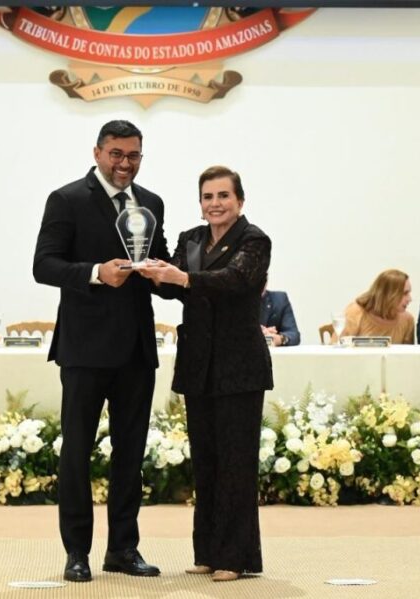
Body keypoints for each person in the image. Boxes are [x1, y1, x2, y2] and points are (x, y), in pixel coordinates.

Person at [32, 120, 169, 583]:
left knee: (131, 456)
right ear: (97, 153)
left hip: (136, 350)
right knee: (77, 453)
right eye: (116, 154)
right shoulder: (66, 199)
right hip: (84, 349)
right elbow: (43, 265)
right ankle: (77, 552)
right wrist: (94, 272)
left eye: (133, 155)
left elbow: (159, 261)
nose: (125, 163)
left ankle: (123, 549)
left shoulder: (151, 203)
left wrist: (171, 276)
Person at [139, 166, 272, 582]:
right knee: (206, 461)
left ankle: (235, 556)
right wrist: (149, 270)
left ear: (240, 201)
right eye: (208, 197)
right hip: (199, 364)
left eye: (223, 196)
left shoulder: (254, 240)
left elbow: (235, 281)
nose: (215, 204)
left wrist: (182, 277)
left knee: (236, 463)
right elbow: (175, 287)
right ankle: (208, 552)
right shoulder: (191, 239)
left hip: (239, 366)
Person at [341, 269, 415, 344]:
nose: (410, 299)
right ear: (388, 293)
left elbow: (409, 351)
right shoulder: (355, 312)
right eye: (405, 293)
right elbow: (338, 346)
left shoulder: (407, 320)